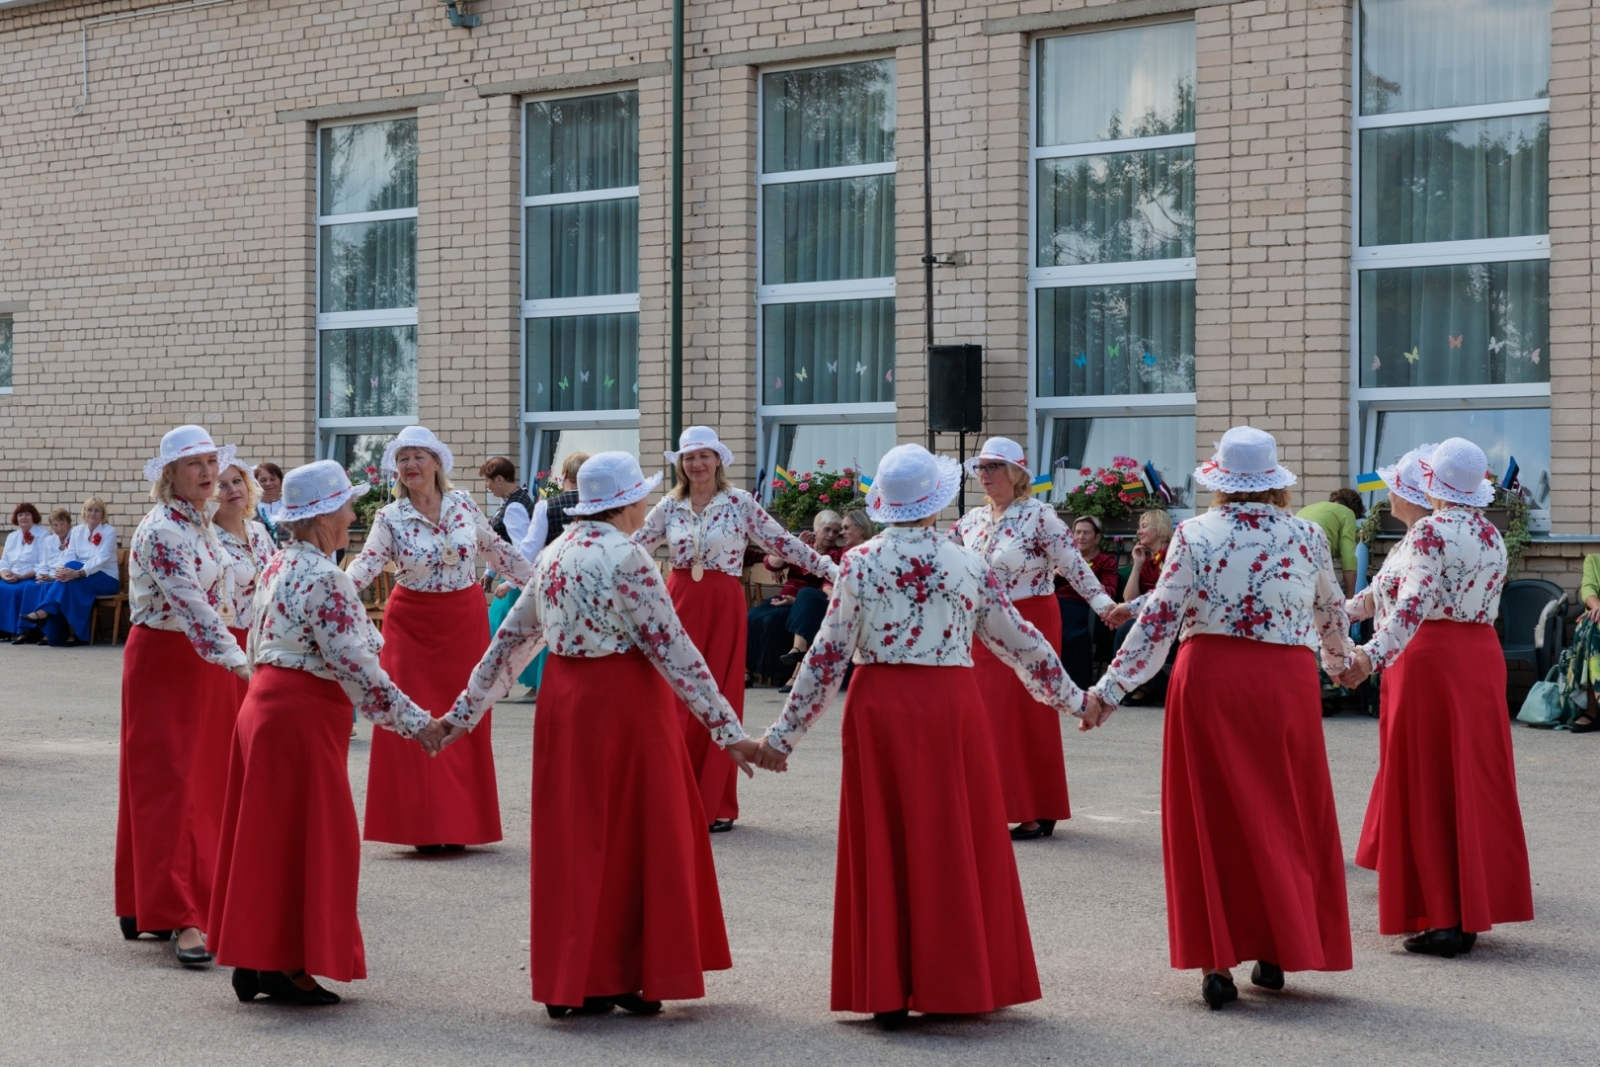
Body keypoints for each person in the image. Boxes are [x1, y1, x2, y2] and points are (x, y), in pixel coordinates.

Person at [754, 444, 1089, 1030]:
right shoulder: (966, 563)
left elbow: (826, 659)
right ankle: (958, 980)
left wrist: (781, 740)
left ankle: (886, 984)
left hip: (880, 705)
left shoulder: (859, 562)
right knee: (955, 834)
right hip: (949, 705)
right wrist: (1078, 701)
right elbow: (1022, 643)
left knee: (885, 836)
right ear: (934, 505)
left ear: (885, 504)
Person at [439, 452, 763, 1018]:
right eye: (642, 496)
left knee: (576, 834)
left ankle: (577, 975)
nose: (645, 505)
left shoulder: (556, 552)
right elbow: (673, 648)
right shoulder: (628, 556)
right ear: (629, 502)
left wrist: (462, 714)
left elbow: (512, 640)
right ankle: (627, 971)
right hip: (626, 702)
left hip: (566, 702)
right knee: (641, 831)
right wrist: (728, 731)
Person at [1084, 426, 1355, 1010]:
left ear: (1222, 483)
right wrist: (1342, 666)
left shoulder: (1194, 533)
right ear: (1275, 484)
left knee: (1212, 818)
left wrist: (1110, 689)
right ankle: (1277, 946)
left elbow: (1159, 618)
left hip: (1211, 679)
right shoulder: (1308, 535)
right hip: (1284, 683)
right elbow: (1330, 610)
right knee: (1286, 810)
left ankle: (1216, 963)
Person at [210, 461, 443, 1007]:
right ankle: (289, 963)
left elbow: (256, 640)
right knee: (312, 839)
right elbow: (357, 667)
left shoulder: (277, 564)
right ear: (320, 518)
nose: (350, 514)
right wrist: (419, 726)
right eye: (344, 506)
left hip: (265, 705)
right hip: (299, 716)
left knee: (268, 838)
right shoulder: (326, 577)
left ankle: (257, 955)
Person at [1336, 438, 1533, 958]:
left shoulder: (1427, 532)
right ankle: (1465, 911)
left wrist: (1367, 657)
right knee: (1471, 779)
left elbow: (1412, 607)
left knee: (1426, 780)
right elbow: (1391, 597)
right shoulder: (1491, 533)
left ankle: (1443, 918)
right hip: (1479, 657)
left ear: (1434, 487)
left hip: (1430, 659)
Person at [634, 426, 839, 832]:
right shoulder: (669, 506)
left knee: (720, 695)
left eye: (704, 456)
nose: (697, 464)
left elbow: (783, 543)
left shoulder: (739, 503)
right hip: (678, 603)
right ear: (681, 464)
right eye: (689, 457)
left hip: (723, 603)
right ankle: (674, 796)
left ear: (718, 460)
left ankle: (716, 801)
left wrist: (831, 568)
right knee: (674, 696)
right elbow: (634, 546)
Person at [345, 426, 534, 853]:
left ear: (436, 463)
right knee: (414, 716)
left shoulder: (464, 504)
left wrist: (543, 584)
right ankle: (422, 828)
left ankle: (461, 824)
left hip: (463, 622)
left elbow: (498, 552)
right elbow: (367, 564)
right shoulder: (389, 517)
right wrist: (328, 592)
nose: (410, 465)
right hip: (411, 625)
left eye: (418, 456)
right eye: (403, 458)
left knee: (465, 714)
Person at [117, 425, 253, 967]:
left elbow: (228, 591)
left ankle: (149, 900)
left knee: (206, 784)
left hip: (205, 662)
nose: (205, 472)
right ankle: (181, 916)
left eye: (210, 461)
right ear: (168, 474)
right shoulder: (162, 530)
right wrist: (245, 665)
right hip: (167, 660)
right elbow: (194, 608)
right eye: (192, 463)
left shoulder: (203, 523)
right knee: (170, 784)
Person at [948, 437, 1131, 840]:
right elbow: (943, 564)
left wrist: (1105, 607)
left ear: (1017, 474)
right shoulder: (970, 520)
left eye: (994, 467)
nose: (985, 474)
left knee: (1024, 712)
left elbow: (1075, 567)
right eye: (981, 467)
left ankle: (1034, 810)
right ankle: (994, 804)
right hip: (982, 624)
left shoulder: (1040, 516)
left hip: (1030, 618)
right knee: (984, 714)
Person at [486, 452, 586, 701]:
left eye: (488, 480)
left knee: (534, 632)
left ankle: (539, 686)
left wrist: (510, 582)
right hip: (589, 583)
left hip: (549, 580)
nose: (486, 486)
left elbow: (525, 549)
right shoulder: (606, 506)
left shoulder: (538, 506)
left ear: (564, 476)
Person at [10, 497, 119, 646]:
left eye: (96, 510)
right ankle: (73, 635)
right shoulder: (78, 531)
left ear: (103, 514)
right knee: (70, 580)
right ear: (84, 512)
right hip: (80, 577)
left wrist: (78, 572)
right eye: (89, 509)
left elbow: (101, 558)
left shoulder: (109, 531)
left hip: (105, 577)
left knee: (72, 572)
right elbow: (69, 554)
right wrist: (60, 571)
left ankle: (45, 612)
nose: (92, 513)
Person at [213, 459, 276, 676]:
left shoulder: (258, 530)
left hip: (267, 637)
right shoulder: (207, 538)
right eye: (221, 485)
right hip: (230, 642)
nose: (233, 489)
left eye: (237, 481)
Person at [774, 510, 846, 689]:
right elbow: (770, 564)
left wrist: (796, 600)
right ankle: (749, 672)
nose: (831, 535)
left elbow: (826, 581)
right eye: (827, 530)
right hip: (786, 596)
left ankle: (796, 667)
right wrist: (794, 545)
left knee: (806, 603)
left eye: (836, 532)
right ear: (816, 529)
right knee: (757, 617)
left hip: (811, 600)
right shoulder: (803, 546)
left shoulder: (835, 553)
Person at [1055, 514, 1120, 688]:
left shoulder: (1106, 561)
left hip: (1085, 608)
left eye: (1086, 533)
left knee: (1069, 630)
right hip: (1058, 603)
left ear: (1097, 537)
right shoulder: (1064, 559)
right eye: (1077, 532)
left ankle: (1071, 684)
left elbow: (1110, 590)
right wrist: (1054, 575)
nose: (1080, 537)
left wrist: (1085, 578)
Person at [12, 508, 74, 645]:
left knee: (48, 588)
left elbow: (70, 563)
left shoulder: (75, 538)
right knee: (31, 586)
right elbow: (43, 563)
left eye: (62, 524)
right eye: (55, 525)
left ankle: (50, 634)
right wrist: (42, 575)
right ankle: (25, 631)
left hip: (62, 577)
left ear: (69, 524)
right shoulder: (49, 540)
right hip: (49, 576)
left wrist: (51, 578)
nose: (59, 528)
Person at [1298, 488, 1365, 596]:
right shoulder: (1347, 513)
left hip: (1289, 559)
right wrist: (1350, 600)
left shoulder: (1305, 509)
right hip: (1315, 557)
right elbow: (1349, 560)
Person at [0, 503, 45, 638]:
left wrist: (22, 576)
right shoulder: (12, 536)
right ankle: (4, 630)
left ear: (34, 517)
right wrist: (5, 574)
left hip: (31, 577)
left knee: (19, 589)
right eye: (20, 515)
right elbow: (4, 561)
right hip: (11, 576)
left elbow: (43, 563)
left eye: (27, 514)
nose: (23, 517)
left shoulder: (42, 535)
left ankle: (23, 630)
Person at [1121, 508, 1173, 603]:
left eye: (1144, 527)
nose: (1138, 532)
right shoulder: (1146, 561)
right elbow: (1129, 600)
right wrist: (1137, 564)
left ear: (1160, 528)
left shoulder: (1173, 555)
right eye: (1139, 528)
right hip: (1145, 612)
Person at [1574, 552, 1600, 732]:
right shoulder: (1593, 559)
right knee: (1591, 626)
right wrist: (1598, 607)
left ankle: (1593, 708)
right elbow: (1588, 589)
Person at [254, 462, 286, 542]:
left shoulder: (291, 508)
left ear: (281, 481)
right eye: (263, 480)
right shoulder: (250, 510)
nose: (268, 483)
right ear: (256, 483)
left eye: (272, 479)